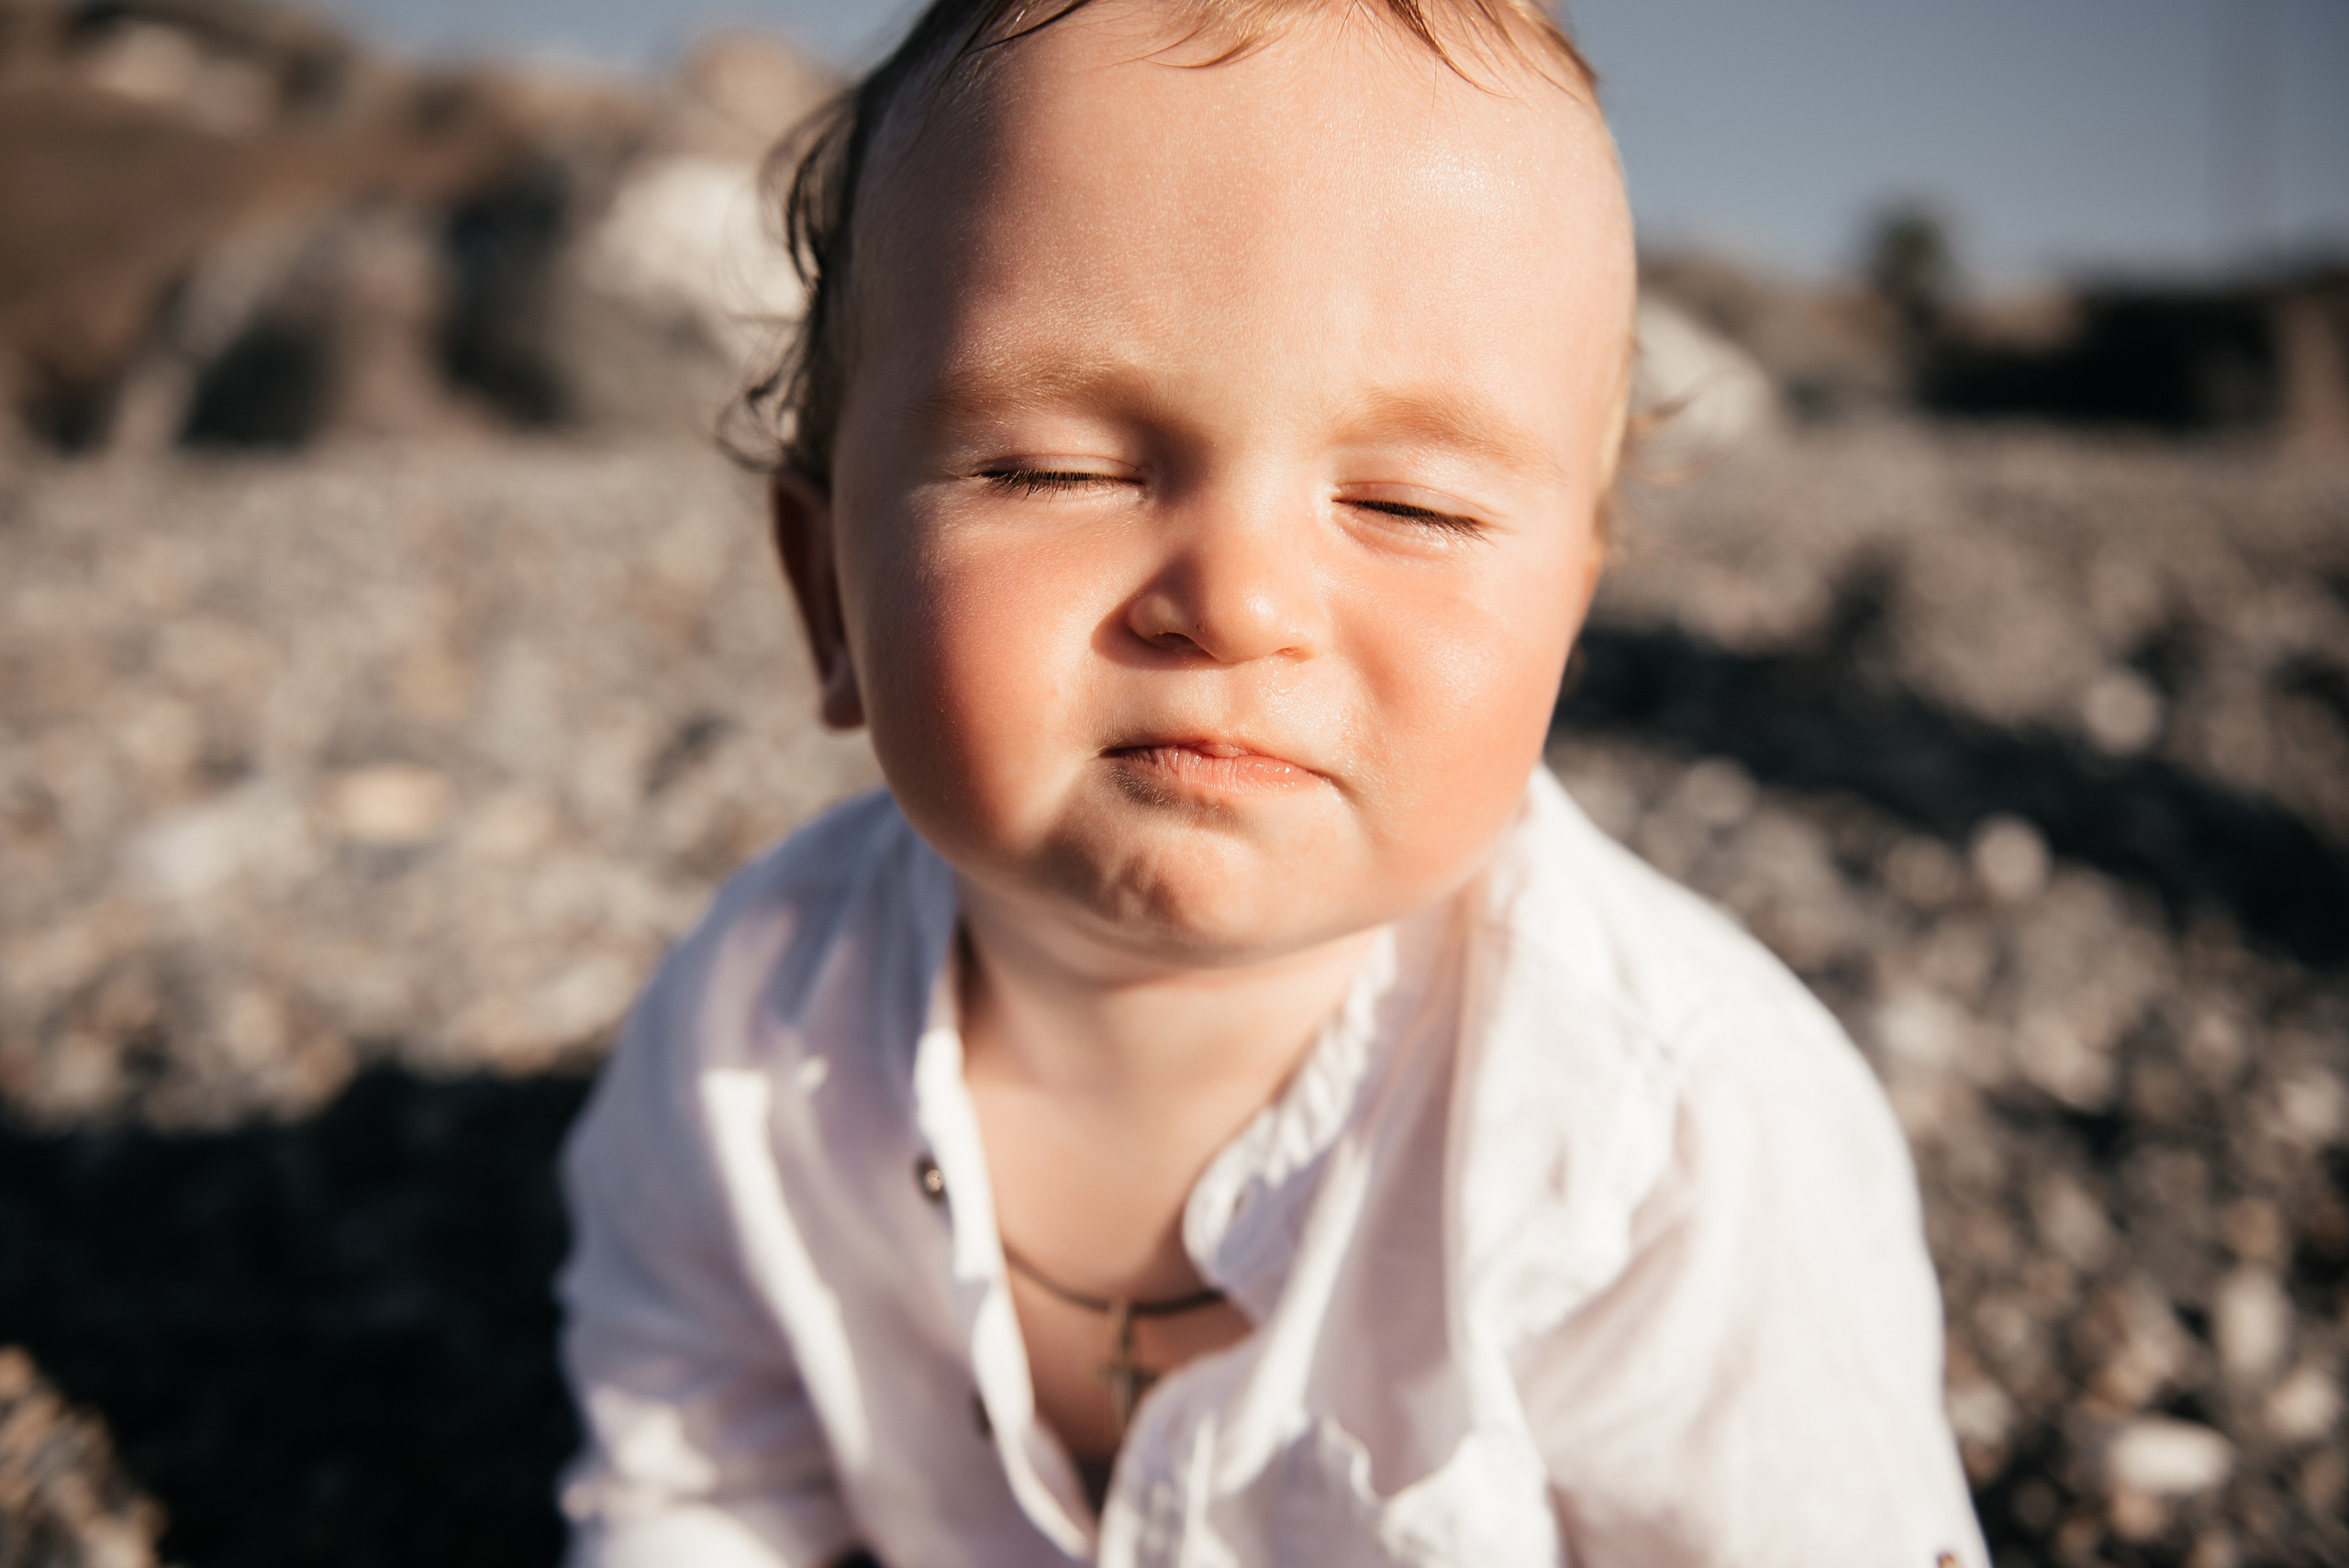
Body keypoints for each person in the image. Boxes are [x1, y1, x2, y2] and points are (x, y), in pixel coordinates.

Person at [554, 2, 1988, 1563]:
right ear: (827, 593)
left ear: (1564, 625)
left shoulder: (1672, 1148)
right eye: (1056, 467)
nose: (1238, 598)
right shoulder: (747, 1034)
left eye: (1409, 503)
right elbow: (698, 1485)